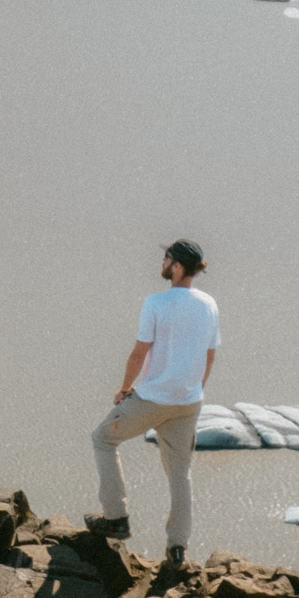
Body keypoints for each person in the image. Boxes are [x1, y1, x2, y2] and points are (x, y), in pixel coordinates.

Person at [86, 239, 220, 570]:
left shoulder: (156, 303)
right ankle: (177, 547)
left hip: (152, 399)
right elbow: (209, 354)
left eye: (166, 258)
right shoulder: (209, 304)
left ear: (177, 266)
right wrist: (194, 391)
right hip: (188, 403)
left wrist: (124, 388)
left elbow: (139, 353)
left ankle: (116, 518)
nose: (162, 262)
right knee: (180, 473)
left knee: (103, 438)